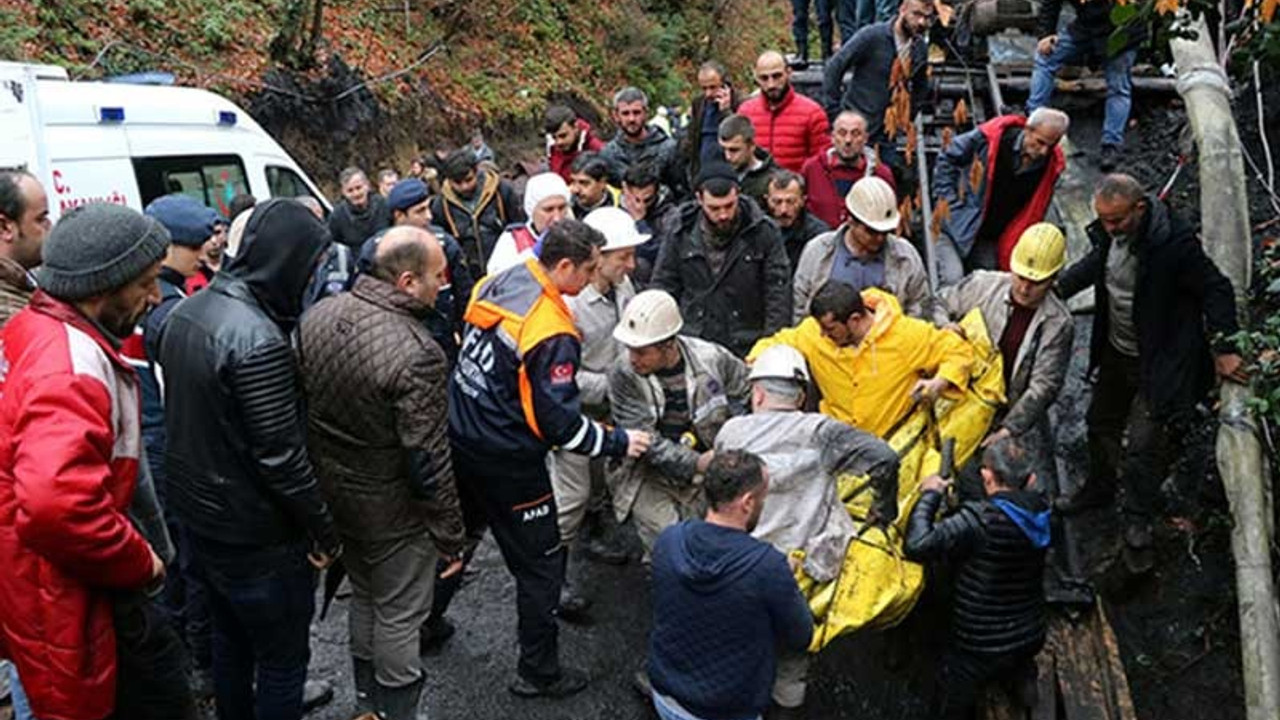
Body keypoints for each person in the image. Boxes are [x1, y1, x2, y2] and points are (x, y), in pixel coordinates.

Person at [0, 203, 195, 720]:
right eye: (146, 284)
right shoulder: (69, 367)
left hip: (50, 587)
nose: (155, 298)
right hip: (75, 596)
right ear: (101, 286)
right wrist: (139, 559)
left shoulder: (34, 327)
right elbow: (54, 503)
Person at [448, 219, 652, 698]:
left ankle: (426, 623)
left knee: (458, 539)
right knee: (540, 568)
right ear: (563, 266)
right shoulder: (554, 328)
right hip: (510, 461)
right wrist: (619, 442)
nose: (587, 280)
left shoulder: (497, 280)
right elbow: (559, 424)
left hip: (462, 435)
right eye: (585, 270)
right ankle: (538, 672)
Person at [158, 199, 343, 720]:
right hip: (255, 537)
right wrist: (325, 533)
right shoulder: (259, 340)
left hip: (202, 524)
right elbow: (281, 457)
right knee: (283, 662)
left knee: (230, 645)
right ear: (289, 260)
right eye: (311, 263)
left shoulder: (188, 311)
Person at [300, 227, 465, 720]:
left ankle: (368, 708)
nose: (445, 285)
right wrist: (451, 535)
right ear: (409, 281)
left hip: (335, 493)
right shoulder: (418, 352)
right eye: (439, 277)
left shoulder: (318, 316)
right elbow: (427, 458)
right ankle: (397, 712)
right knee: (398, 613)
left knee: (366, 597)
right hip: (393, 510)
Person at [1055, 174, 1243, 564]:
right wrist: (1055, 288)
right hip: (1116, 351)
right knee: (1100, 423)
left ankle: (1137, 517)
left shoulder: (1174, 245)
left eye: (1117, 221)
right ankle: (1099, 488)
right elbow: (1095, 263)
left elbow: (1216, 289)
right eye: (1103, 221)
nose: (1109, 229)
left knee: (1144, 444)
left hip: (1160, 361)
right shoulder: (1112, 234)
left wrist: (1226, 348)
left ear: (1139, 209)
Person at [715, 345, 899, 718]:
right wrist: (883, 509)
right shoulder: (822, 432)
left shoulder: (731, 433)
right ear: (801, 396)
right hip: (806, 570)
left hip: (743, 565)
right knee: (794, 654)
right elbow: (885, 458)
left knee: (737, 645)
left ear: (758, 392)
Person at [127, 194, 219, 698]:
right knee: (189, 565)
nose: (203, 254)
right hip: (171, 450)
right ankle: (199, 670)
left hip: (149, 444)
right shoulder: (168, 311)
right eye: (193, 246)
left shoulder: (135, 300)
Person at [646, 451, 814, 720]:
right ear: (747, 502)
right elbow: (801, 635)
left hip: (666, 695)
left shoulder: (670, 538)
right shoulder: (767, 566)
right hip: (725, 710)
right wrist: (784, 580)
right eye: (763, 497)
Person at [905, 436, 1051, 719]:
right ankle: (1022, 681)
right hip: (1031, 632)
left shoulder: (979, 520)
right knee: (1016, 657)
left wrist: (930, 495)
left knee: (952, 698)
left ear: (986, 476)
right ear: (1031, 479)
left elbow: (917, 544)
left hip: (978, 643)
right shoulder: (1044, 511)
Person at [552, 208, 651, 613]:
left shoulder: (623, 285)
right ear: (600, 257)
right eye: (623, 257)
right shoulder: (569, 306)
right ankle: (550, 580)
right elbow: (560, 377)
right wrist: (614, 383)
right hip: (576, 413)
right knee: (570, 498)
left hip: (613, 406)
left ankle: (592, 538)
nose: (631, 265)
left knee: (597, 486)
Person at [609, 289, 751, 553]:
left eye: (641, 351)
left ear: (668, 345)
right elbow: (643, 440)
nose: (633, 358)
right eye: (630, 349)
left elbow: (746, 391)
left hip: (705, 473)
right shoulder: (623, 375)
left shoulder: (712, 359)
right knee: (670, 545)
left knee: (705, 545)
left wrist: (733, 440)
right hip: (648, 474)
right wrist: (697, 462)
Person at [937, 223, 1074, 485]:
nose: (1024, 288)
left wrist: (1008, 429)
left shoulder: (1058, 323)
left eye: (1036, 283)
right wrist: (946, 327)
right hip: (960, 396)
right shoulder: (981, 285)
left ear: (1054, 278)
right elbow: (937, 303)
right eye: (1021, 277)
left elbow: (1043, 386)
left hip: (1009, 410)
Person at [752, 281, 971, 438]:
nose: (822, 335)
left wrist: (939, 382)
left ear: (854, 320)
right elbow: (777, 342)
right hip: (835, 441)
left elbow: (957, 351)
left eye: (829, 329)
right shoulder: (814, 332)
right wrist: (756, 362)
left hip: (892, 444)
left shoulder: (906, 335)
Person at [652, 161, 791, 357]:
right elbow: (664, 285)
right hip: (695, 339)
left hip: (748, 340)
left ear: (738, 193)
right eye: (714, 208)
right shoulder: (679, 230)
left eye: (729, 206)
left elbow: (777, 290)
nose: (723, 215)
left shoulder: (763, 231)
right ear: (699, 199)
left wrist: (771, 344)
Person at [933, 109, 1068, 284]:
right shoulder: (991, 138)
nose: (1043, 151)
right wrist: (948, 201)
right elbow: (948, 156)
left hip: (989, 238)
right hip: (952, 227)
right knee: (952, 279)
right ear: (1028, 130)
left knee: (992, 285)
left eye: (1051, 146)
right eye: (1040, 142)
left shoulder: (1050, 166)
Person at [355, 178, 476, 364]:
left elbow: (464, 295)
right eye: (420, 211)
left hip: (441, 339)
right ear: (399, 215)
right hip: (392, 341)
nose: (429, 216)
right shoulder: (375, 251)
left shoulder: (443, 244)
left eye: (428, 208)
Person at [793, 176, 939, 324]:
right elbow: (800, 306)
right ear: (851, 221)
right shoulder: (818, 251)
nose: (880, 238)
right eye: (872, 231)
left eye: (886, 231)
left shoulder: (906, 257)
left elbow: (920, 307)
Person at [1028, 0, 1144, 171]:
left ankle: (1111, 145)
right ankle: (1033, 118)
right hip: (1086, 28)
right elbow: (1050, 4)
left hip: (1122, 33)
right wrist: (1046, 34)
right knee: (1045, 57)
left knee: (1118, 87)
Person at [823, 0, 934, 169]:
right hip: (856, 128)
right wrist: (835, 112)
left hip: (887, 135)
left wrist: (907, 116)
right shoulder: (872, 36)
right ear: (902, 9)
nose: (921, 22)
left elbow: (921, 87)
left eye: (927, 18)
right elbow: (835, 67)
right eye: (916, 14)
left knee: (885, 185)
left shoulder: (919, 48)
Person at [429, 149, 524, 273]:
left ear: (476, 171)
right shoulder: (440, 205)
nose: (464, 187)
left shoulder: (502, 191)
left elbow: (519, 227)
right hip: (468, 272)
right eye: (457, 183)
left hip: (505, 266)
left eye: (468, 180)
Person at [800, 109, 896, 229]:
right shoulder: (812, 169)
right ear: (833, 137)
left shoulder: (880, 175)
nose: (848, 140)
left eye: (855, 134)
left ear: (865, 138)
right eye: (842, 133)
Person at [738, 51, 831, 173]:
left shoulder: (813, 113)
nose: (771, 84)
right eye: (764, 78)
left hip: (797, 189)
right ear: (756, 77)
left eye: (777, 76)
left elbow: (821, 165)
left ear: (788, 72)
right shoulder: (745, 112)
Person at [485, 172, 573, 276]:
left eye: (562, 208)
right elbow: (498, 282)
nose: (557, 218)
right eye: (548, 210)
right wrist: (533, 256)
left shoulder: (577, 237)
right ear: (531, 210)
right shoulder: (513, 240)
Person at [600, 87, 681, 196]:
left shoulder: (668, 149)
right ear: (616, 116)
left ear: (646, 113)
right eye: (625, 113)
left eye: (636, 112)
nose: (631, 119)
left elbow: (681, 191)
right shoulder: (608, 155)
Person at [678, 61, 742, 192]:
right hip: (703, 174)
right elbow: (692, 139)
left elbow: (739, 135)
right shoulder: (699, 103)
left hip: (730, 175)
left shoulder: (740, 103)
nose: (708, 94)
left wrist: (726, 111)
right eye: (704, 88)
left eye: (713, 87)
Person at [0, 169, 50, 327]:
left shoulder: (28, 279)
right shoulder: (10, 317)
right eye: (41, 219)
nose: (50, 226)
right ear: (5, 228)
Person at [621, 162, 671, 285]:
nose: (640, 206)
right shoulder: (615, 210)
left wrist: (640, 223)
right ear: (625, 189)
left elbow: (660, 255)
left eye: (647, 200)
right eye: (636, 199)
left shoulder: (669, 214)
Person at [718, 113, 779, 208]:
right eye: (723, 149)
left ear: (751, 146)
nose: (728, 156)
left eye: (734, 150)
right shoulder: (716, 174)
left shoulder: (772, 180)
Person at [328, 167, 391, 248]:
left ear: (367, 185)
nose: (356, 194)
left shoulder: (384, 205)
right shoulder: (337, 216)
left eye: (359, 188)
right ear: (343, 192)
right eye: (350, 190)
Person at [546, 105, 607, 182]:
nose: (559, 142)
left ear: (575, 127)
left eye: (563, 136)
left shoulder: (597, 150)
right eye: (554, 137)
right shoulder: (552, 148)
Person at [569, 151, 621, 218]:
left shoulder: (621, 206)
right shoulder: (563, 203)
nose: (575, 189)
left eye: (584, 183)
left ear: (603, 183)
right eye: (573, 181)